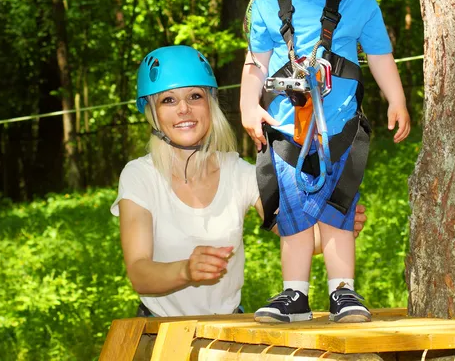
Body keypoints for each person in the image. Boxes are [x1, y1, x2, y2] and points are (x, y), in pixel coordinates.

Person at [240, 0, 410, 324]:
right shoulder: (265, 6)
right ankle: (293, 294)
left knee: (339, 209)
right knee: (293, 213)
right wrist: (247, 106)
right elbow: (254, 63)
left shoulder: (358, 0)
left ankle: (343, 291)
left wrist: (396, 98)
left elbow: (378, 53)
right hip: (287, 131)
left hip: (339, 130)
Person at [111, 44, 367, 317]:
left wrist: (335, 226)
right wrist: (185, 270)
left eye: (194, 96)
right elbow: (139, 272)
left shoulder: (237, 172)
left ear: (210, 104)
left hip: (226, 328)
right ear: (152, 112)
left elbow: (296, 235)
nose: (184, 109)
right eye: (168, 100)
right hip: (158, 331)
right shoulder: (139, 176)